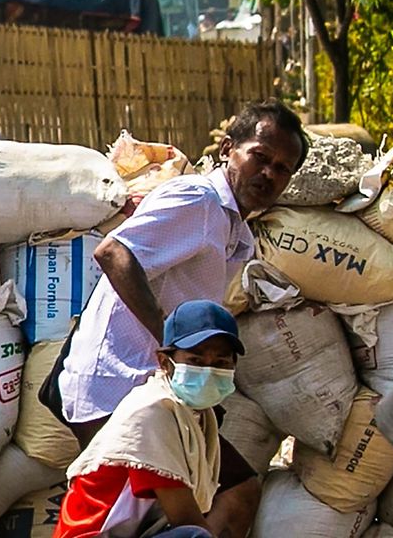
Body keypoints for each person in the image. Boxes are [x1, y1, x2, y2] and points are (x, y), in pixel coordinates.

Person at [49, 99, 308, 531]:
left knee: (226, 495)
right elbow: (113, 253)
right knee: (173, 512)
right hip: (121, 387)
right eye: (260, 157)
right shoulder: (198, 201)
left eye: (282, 168)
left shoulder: (233, 230)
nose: (268, 174)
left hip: (160, 393)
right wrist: (170, 344)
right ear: (228, 148)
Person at [55, 300, 246, 538]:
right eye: (195, 361)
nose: (208, 371)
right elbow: (185, 517)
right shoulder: (151, 414)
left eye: (220, 363)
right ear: (165, 362)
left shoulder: (196, 416)